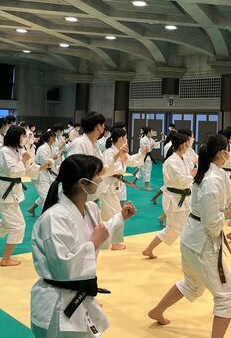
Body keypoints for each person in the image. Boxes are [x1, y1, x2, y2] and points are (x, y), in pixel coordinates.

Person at [147, 133, 231, 338]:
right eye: (229, 151)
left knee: (192, 285)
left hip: (192, 240)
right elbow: (213, 224)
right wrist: (230, 213)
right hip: (202, 244)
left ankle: (157, 311)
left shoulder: (213, 173)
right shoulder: (211, 180)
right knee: (228, 297)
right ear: (223, 153)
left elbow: (229, 196)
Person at [29, 154, 136, 338]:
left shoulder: (90, 208)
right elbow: (63, 267)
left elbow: (101, 232)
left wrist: (120, 217)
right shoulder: (54, 218)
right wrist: (94, 242)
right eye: (97, 175)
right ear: (83, 184)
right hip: (57, 301)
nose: (101, 180)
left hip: (79, 295)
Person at [0, 125, 52, 266]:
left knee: (6, 222)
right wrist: (23, 160)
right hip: (5, 191)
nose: (25, 139)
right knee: (18, 225)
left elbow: (28, 170)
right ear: (15, 137)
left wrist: (43, 167)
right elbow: (13, 171)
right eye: (23, 136)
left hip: (13, 191)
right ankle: (6, 259)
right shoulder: (4, 152)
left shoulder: (19, 150)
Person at [142, 132, 193, 259]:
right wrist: (194, 174)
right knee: (184, 230)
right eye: (187, 142)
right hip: (175, 200)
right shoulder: (171, 161)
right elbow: (180, 181)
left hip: (182, 199)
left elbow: (191, 170)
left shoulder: (184, 159)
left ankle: (148, 250)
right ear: (182, 144)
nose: (189, 144)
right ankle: (189, 258)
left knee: (172, 229)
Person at [99, 127, 147, 250]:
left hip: (114, 187)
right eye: (125, 138)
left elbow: (132, 161)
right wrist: (119, 157)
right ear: (120, 139)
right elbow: (105, 170)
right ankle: (112, 242)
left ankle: (109, 240)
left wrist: (142, 153)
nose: (126, 140)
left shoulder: (121, 152)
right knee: (114, 214)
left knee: (112, 214)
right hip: (107, 187)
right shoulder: (109, 152)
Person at [27, 131, 60, 217]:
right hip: (39, 173)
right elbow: (45, 162)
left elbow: (51, 162)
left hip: (46, 173)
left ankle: (32, 209)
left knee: (49, 193)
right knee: (46, 197)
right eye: (54, 137)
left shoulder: (50, 147)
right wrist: (53, 159)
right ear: (51, 138)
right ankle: (46, 217)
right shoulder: (42, 148)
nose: (55, 139)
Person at [138, 126, 162, 191]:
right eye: (151, 131)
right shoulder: (143, 140)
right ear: (148, 132)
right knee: (143, 171)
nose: (152, 133)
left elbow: (155, 144)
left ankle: (146, 186)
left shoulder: (151, 139)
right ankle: (145, 186)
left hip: (148, 157)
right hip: (144, 156)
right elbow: (146, 149)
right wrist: (151, 146)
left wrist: (161, 141)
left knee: (146, 171)